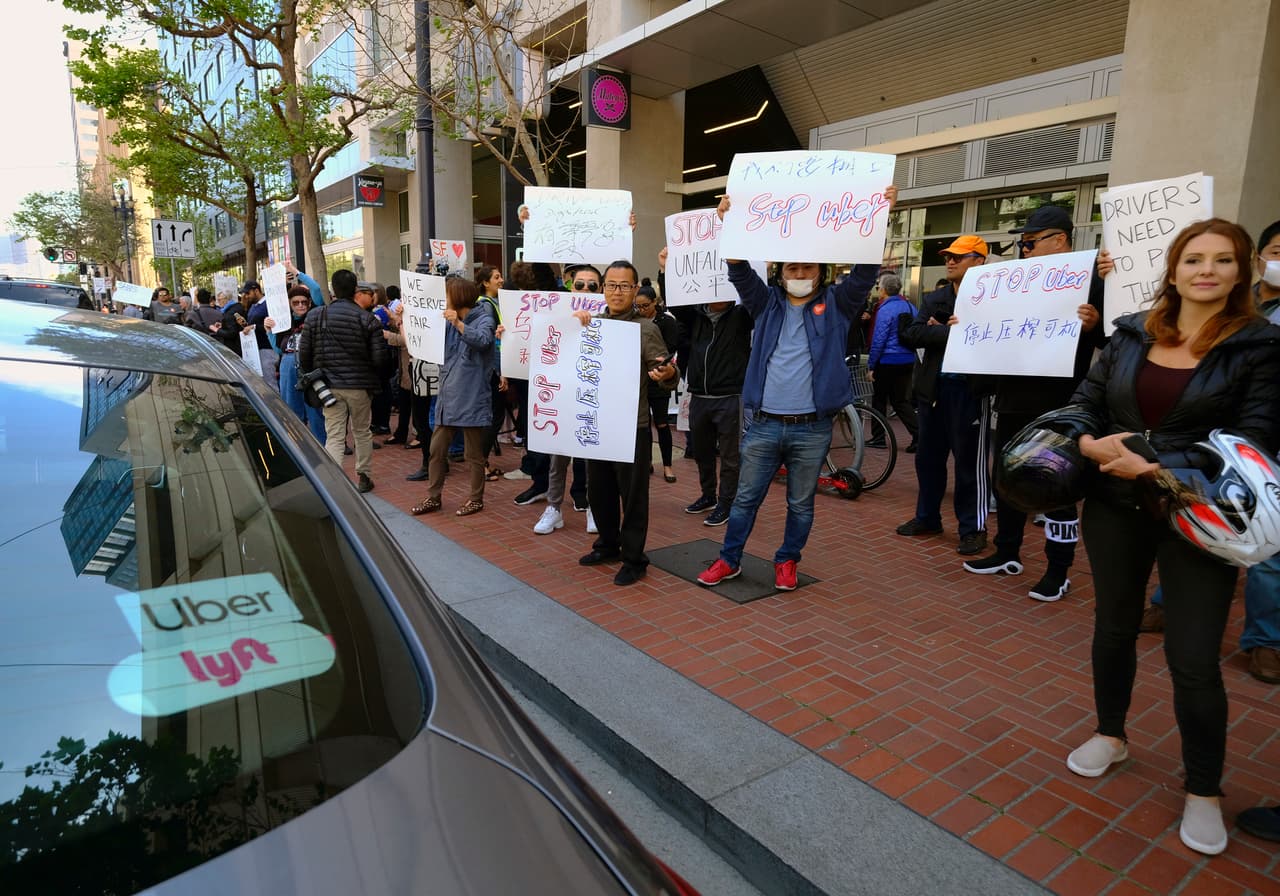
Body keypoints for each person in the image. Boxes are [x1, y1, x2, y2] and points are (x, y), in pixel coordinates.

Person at [1063, 218, 1280, 857]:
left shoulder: (1260, 347)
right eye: (1193, 259)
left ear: (1243, 272)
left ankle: (1204, 790)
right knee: (1113, 627)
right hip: (1113, 503)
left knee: (1192, 657)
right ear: (1174, 268)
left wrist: (1158, 469)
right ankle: (1111, 734)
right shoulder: (1131, 332)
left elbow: (1257, 443)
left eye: (1221, 260)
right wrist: (1083, 439)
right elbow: (1086, 400)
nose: (1205, 270)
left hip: (1198, 515)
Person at [697, 186, 894, 591]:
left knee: (801, 503)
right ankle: (729, 559)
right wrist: (728, 223)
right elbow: (738, 270)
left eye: (807, 269)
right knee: (745, 499)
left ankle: (787, 560)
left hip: (812, 427)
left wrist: (879, 218)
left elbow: (864, 273)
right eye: (792, 269)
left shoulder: (838, 305)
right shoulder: (765, 304)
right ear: (780, 272)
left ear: (819, 272)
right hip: (764, 425)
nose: (800, 275)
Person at [962, 206, 1109, 601]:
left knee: (1055, 487)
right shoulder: (1013, 281)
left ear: (1059, 239)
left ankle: (1058, 570)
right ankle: (1006, 551)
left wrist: (1095, 326)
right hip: (1012, 397)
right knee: (1008, 477)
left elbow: (1114, 345)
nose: (1024, 250)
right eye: (1022, 244)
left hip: (1059, 404)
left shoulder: (1094, 281)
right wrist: (968, 329)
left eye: (1030, 242)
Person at [571, 260, 678, 585]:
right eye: (612, 285)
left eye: (624, 286)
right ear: (604, 288)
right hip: (597, 424)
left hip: (633, 427)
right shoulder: (591, 323)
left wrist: (668, 374)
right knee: (599, 490)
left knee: (633, 496)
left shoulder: (646, 329)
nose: (617, 291)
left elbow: (666, 376)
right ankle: (607, 544)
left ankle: (634, 558)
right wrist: (572, 325)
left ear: (634, 290)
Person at [896, 236, 990, 556]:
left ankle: (973, 528)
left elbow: (992, 339)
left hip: (970, 392)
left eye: (959, 257)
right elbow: (912, 333)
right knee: (928, 460)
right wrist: (951, 332)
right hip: (932, 392)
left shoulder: (993, 299)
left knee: (968, 464)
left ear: (979, 261)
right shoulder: (935, 296)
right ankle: (927, 517)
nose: (950, 262)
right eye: (949, 257)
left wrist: (941, 332)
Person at [661, 248, 754, 528]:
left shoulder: (742, 316)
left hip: (730, 396)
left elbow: (756, 296)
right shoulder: (696, 316)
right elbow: (675, 303)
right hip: (699, 396)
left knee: (729, 456)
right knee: (701, 451)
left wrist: (763, 269)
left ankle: (727, 503)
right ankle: (707, 496)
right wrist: (666, 270)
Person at [297, 269, 390, 493]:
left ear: (334, 290)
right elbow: (381, 359)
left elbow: (304, 354)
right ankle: (364, 476)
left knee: (335, 434)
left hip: (328, 386)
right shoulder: (368, 319)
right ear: (355, 289)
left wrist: (313, 377)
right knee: (361, 431)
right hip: (360, 385)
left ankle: (335, 483)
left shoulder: (316, 315)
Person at [410, 277, 496, 517]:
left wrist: (458, 323)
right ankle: (433, 496)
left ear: (457, 296)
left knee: (473, 454)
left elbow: (482, 340)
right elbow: (426, 338)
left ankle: (476, 499)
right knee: (436, 451)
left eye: (447, 294)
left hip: (471, 395)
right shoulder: (447, 319)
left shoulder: (484, 317)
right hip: (448, 395)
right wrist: (405, 319)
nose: (443, 299)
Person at [527, 264, 597, 535]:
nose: (585, 290)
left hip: (592, 399)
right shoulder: (555, 313)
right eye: (580, 285)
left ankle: (593, 507)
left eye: (592, 285)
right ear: (570, 286)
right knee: (558, 459)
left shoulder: (608, 318)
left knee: (593, 460)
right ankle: (554, 508)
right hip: (561, 397)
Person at [633, 283, 681, 483]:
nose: (642, 310)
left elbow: (669, 348)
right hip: (639, 381)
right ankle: (647, 462)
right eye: (638, 306)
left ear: (655, 302)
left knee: (662, 424)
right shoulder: (634, 321)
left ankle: (668, 465)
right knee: (643, 426)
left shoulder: (667, 322)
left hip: (659, 378)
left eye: (645, 306)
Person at [865, 273, 919, 452]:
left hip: (888, 360)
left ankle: (878, 437)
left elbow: (878, 340)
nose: (878, 289)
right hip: (907, 359)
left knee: (879, 399)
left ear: (885, 290)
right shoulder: (911, 307)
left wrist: (872, 365)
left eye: (879, 286)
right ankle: (919, 435)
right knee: (901, 400)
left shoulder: (885, 309)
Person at [278, 286, 327, 443]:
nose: (300, 305)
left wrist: (295, 271)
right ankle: (297, 447)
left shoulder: (316, 316)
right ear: (290, 304)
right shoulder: (284, 322)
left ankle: (322, 446)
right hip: (288, 366)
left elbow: (317, 290)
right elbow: (278, 349)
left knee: (315, 409)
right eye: (296, 302)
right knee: (291, 410)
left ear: (309, 302)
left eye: (304, 302)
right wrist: (268, 330)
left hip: (310, 368)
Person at [475, 264, 509, 479]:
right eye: (496, 277)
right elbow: (493, 343)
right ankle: (481, 463)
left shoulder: (491, 303)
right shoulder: (486, 306)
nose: (501, 280)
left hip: (490, 369)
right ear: (486, 283)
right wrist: (501, 371)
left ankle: (481, 461)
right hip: (492, 370)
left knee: (493, 415)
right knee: (494, 416)